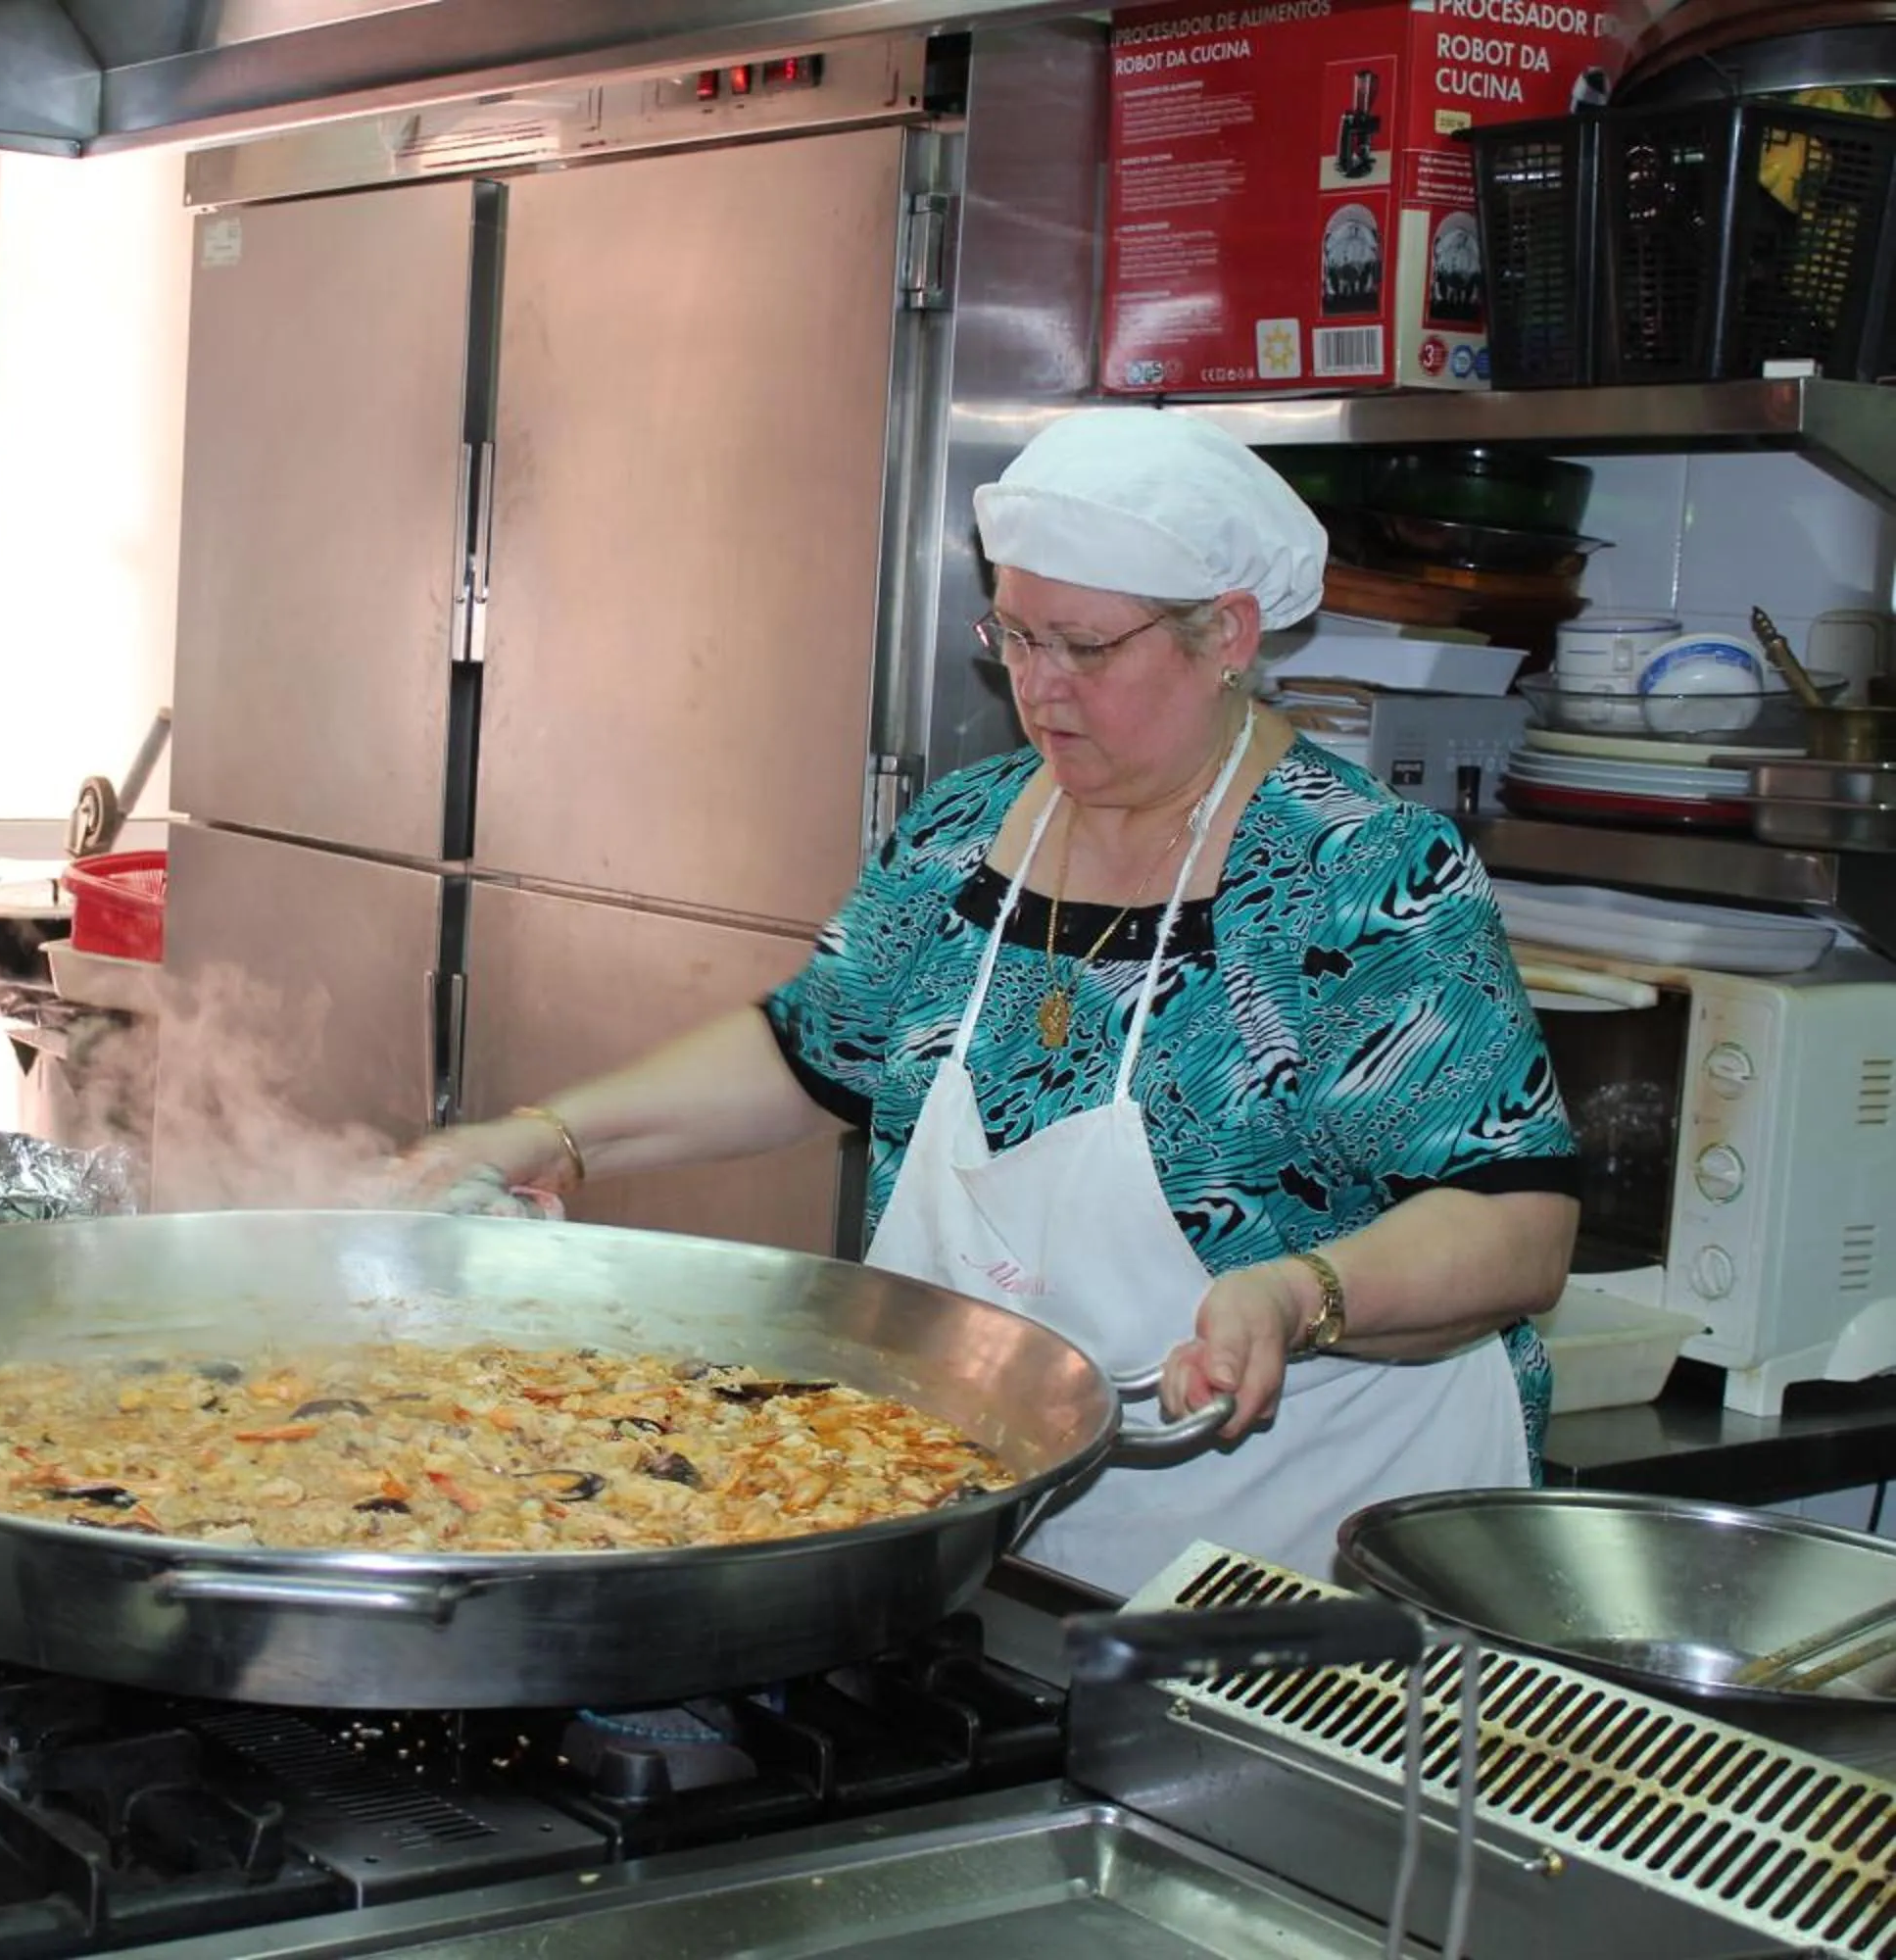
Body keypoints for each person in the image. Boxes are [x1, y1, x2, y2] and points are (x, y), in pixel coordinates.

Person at [412, 410, 1580, 1597]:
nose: (1038, 688)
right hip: (1002, 1518)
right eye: (1015, 636)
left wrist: (1302, 1294)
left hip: (1300, 1555)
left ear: (1225, 633)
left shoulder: (1363, 873)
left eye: (1085, 645)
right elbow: (814, 1048)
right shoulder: (963, 830)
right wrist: (550, 1134)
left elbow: (1517, 1226)